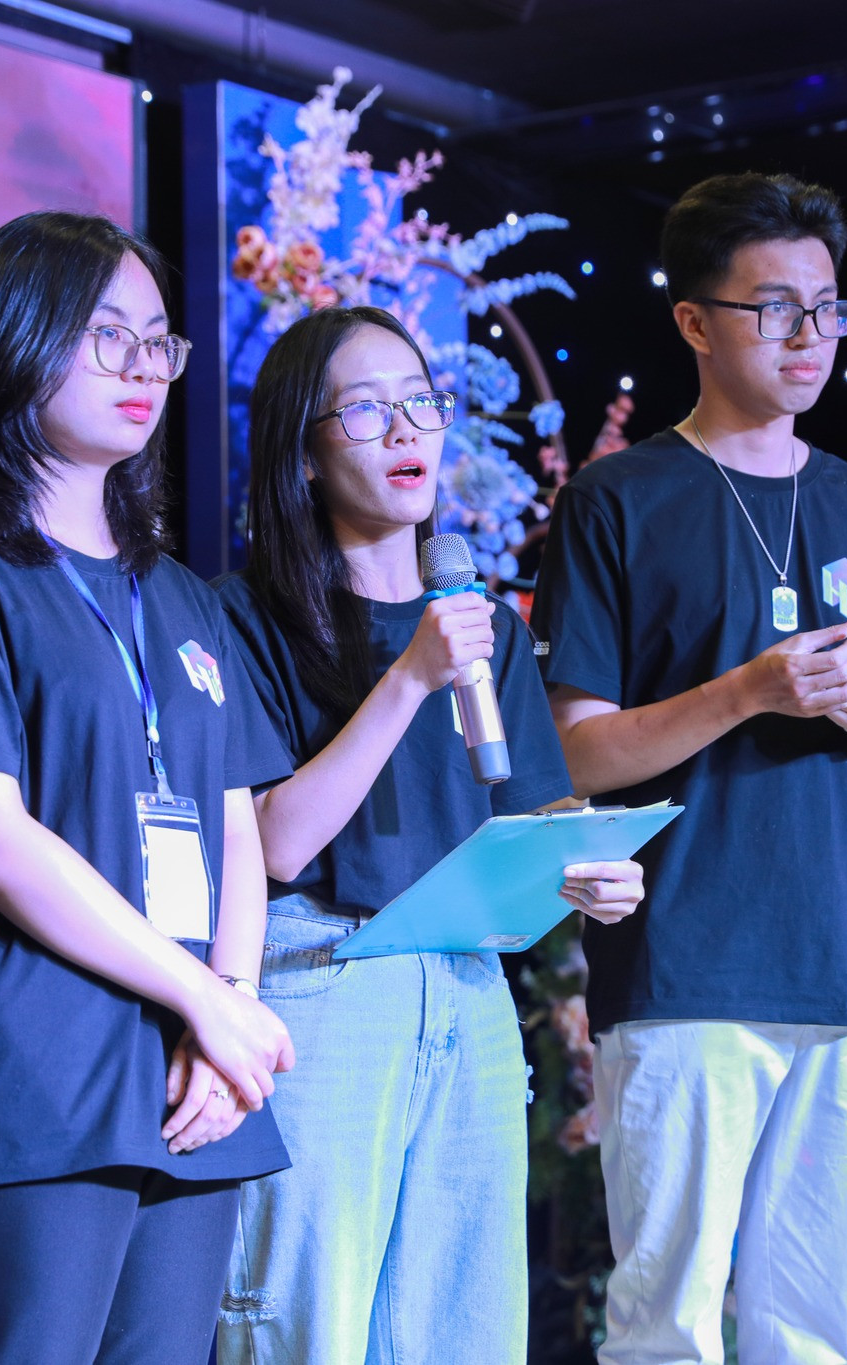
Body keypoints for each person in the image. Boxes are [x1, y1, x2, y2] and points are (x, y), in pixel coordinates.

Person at [531, 173, 847, 1365]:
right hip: (687, 969)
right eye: (773, 308)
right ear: (693, 320)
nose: (807, 336)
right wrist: (746, 692)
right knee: (667, 1326)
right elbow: (576, 749)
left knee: (812, 1332)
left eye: (826, 310)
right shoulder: (617, 501)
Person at [0, 211, 296, 1364]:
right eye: (109, 336)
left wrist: (227, 1010)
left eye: (159, 342)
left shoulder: (187, 598)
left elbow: (235, 830)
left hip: (196, 1090)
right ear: (17, 338)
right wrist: (208, 1003)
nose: (143, 367)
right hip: (41, 1088)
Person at [211, 305, 645, 1365]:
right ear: (303, 451)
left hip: (465, 987)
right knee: (307, 1322)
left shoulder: (485, 627)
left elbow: (527, 821)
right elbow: (275, 844)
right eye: (366, 410)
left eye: (420, 402)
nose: (406, 429)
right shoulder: (244, 615)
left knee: (466, 1327)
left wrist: (587, 872)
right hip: (320, 980)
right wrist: (409, 677)